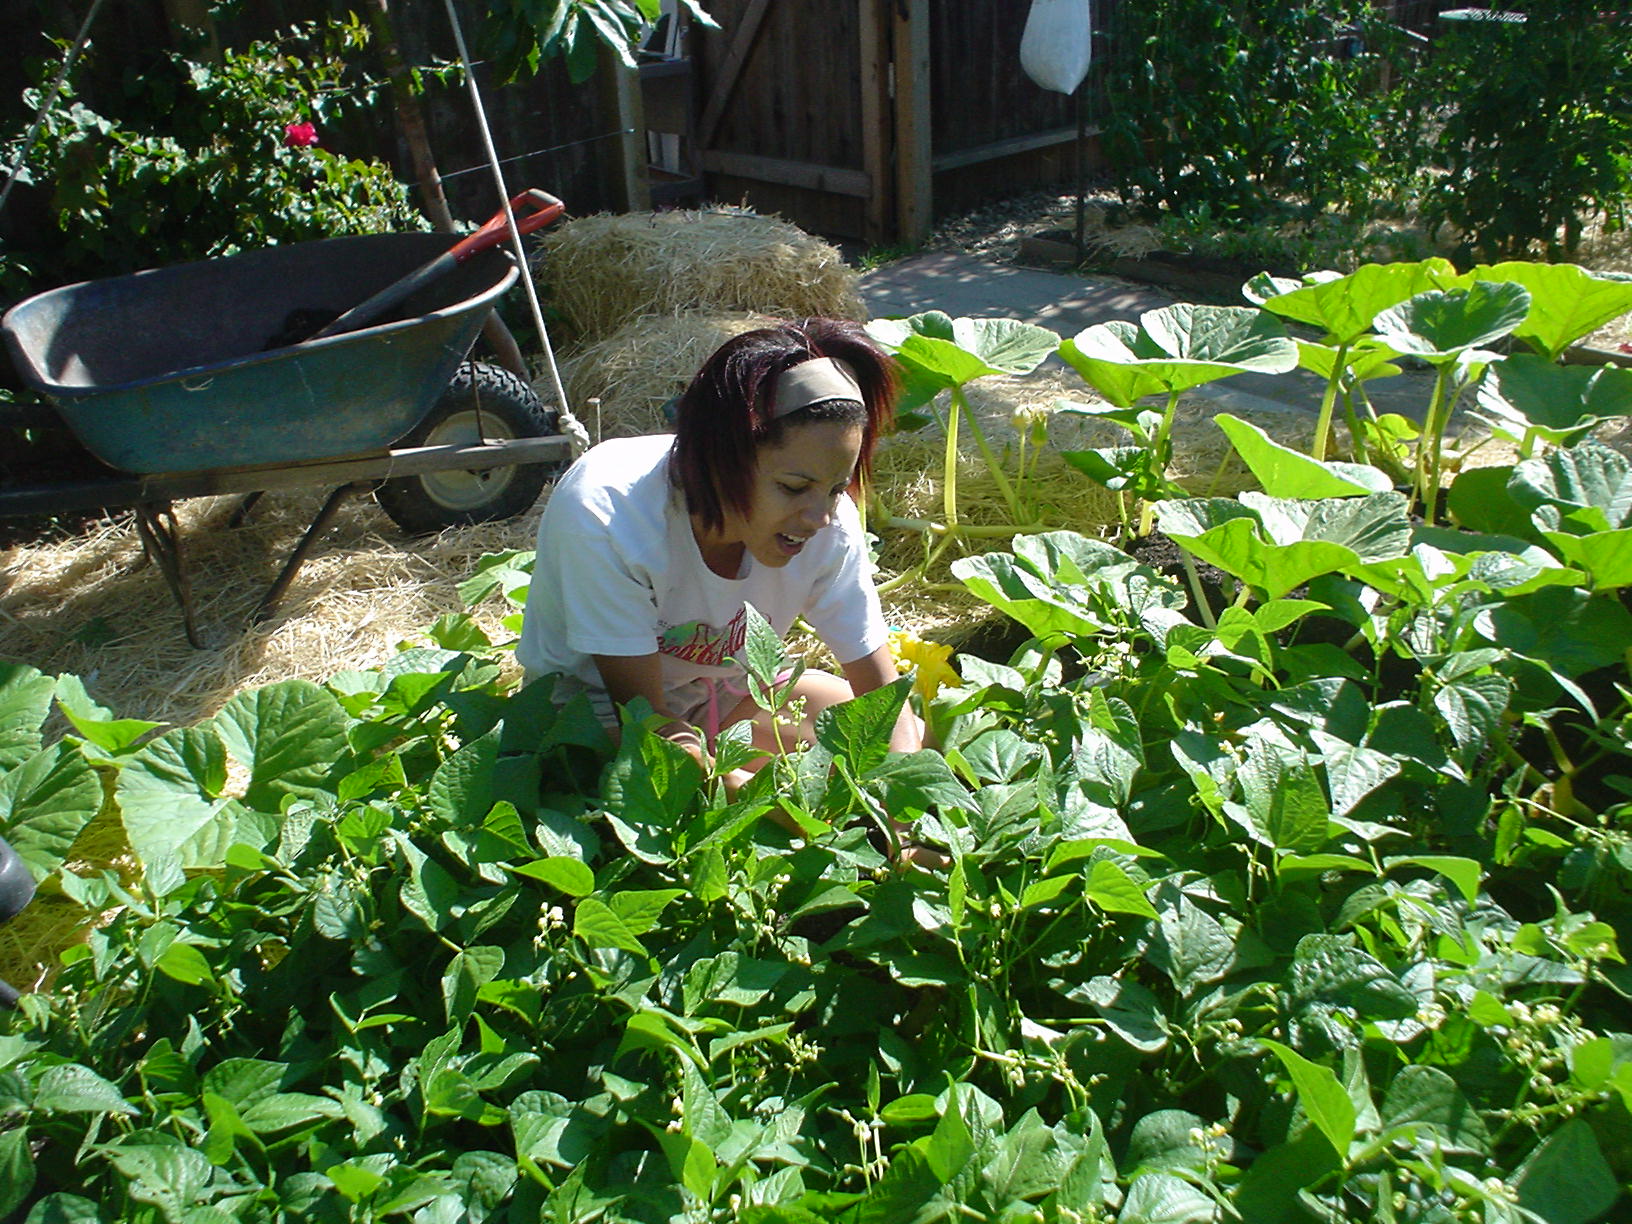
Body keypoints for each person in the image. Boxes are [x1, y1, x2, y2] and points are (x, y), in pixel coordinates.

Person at [516, 316, 921, 802]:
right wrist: (776, 809)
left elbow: (880, 694)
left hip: (726, 700)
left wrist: (904, 813)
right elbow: (647, 720)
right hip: (600, 717)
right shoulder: (609, 510)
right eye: (793, 488)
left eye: (836, 487)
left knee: (901, 738)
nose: (819, 516)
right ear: (720, 459)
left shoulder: (829, 520)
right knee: (679, 781)